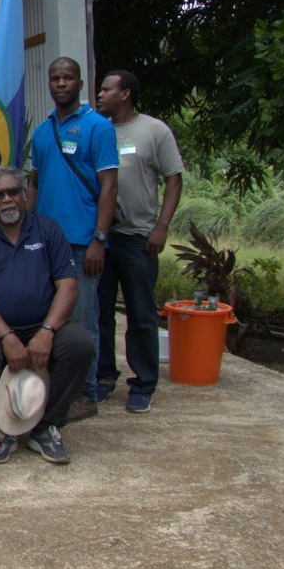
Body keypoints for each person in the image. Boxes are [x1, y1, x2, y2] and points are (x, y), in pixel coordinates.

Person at [0, 166, 93, 465]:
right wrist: (6, 336)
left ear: (25, 195)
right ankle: (0, 429)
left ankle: (46, 427)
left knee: (80, 345)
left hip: (42, 323)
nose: (6, 200)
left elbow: (68, 286)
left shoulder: (48, 229)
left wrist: (47, 331)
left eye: (13, 192)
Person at [29, 57, 118, 422]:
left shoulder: (98, 127)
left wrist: (100, 237)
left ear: (80, 83)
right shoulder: (42, 130)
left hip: (82, 242)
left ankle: (87, 393)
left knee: (83, 320)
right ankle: (57, 385)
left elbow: (109, 185)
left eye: (68, 77)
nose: (61, 83)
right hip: (45, 240)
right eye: (55, 78)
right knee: (49, 317)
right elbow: (34, 182)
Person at [95, 70, 184, 413]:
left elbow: (174, 181)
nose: (100, 94)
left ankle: (144, 383)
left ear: (126, 93)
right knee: (100, 311)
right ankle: (104, 376)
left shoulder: (154, 130)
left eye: (107, 89)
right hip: (101, 239)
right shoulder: (98, 129)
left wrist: (161, 226)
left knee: (141, 313)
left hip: (137, 238)